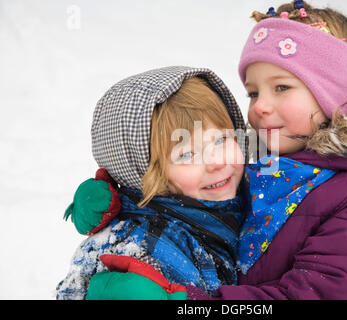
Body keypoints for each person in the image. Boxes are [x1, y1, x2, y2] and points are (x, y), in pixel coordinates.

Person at [186, 1, 347, 299]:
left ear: (338, 96)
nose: (259, 106)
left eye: (281, 87)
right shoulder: (268, 173)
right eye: (253, 92)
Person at [56, 66, 248, 300]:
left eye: (222, 139)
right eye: (187, 155)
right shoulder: (144, 254)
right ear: (141, 173)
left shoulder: (238, 201)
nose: (217, 162)